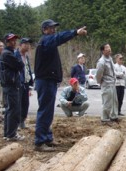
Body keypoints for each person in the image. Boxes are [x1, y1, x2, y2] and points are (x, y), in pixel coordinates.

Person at [34, 19, 87, 151]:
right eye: (51, 28)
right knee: (45, 110)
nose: (54, 30)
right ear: (44, 30)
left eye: (54, 28)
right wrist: (75, 32)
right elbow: (59, 38)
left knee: (48, 111)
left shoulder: (49, 42)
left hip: (49, 80)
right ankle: (40, 142)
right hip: (45, 80)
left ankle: (47, 138)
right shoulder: (46, 40)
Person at [0, 33, 25, 141]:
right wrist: (18, 58)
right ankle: (11, 134)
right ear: (7, 42)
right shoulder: (7, 54)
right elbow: (20, 65)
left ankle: (7, 133)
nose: (14, 42)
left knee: (9, 109)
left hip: (10, 84)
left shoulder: (9, 53)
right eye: (11, 40)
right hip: (11, 84)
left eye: (15, 40)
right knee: (13, 109)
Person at [96, 43, 119, 123]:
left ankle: (114, 116)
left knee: (114, 101)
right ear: (103, 51)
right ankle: (104, 118)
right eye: (107, 48)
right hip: (106, 83)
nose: (109, 49)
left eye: (109, 47)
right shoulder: (101, 62)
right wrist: (101, 82)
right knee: (107, 102)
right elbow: (98, 74)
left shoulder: (110, 58)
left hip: (112, 82)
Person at [15, 38, 34, 129]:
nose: (27, 46)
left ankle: (22, 120)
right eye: (25, 44)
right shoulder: (15, 55)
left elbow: (28, 70)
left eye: (28, 44)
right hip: (19, 83)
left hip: (26, 82)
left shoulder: (26, 56)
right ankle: (17, 122)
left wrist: (31, 83)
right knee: (18, 103)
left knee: (25, 103)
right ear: (20, 45)